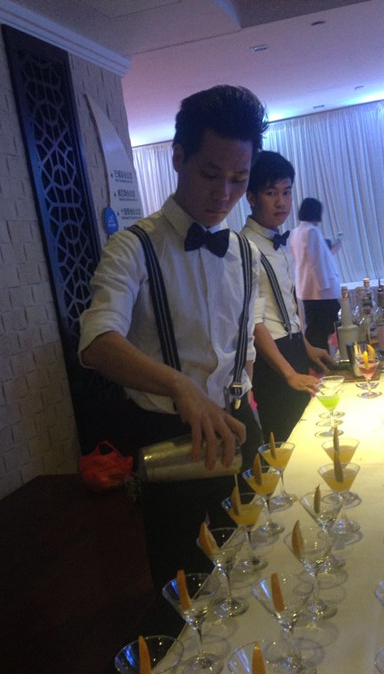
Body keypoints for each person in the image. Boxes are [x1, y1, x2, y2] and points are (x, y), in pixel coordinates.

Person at [79, 85, 268, 599]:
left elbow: (244, 345)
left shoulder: (247, 254)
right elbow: (97, 341)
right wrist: (182, 388)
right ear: (178, 157)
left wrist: (241, 399)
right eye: (210, 174)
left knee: (253, 565)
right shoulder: (132, 247)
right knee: (183, 589)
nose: (224, 193)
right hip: (168, 438)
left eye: (239, 179)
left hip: (238, 427)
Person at [240, 151, 333, 440]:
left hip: (292, 347)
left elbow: (287, 309)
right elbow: (254, 321)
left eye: (286, 192)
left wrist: (306, 346)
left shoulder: (279, 242)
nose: (281, 202)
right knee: (285, 439)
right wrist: (288, 372)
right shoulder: (244, 247)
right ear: (251, 197)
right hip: (270, 358)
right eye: (271, 193)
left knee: (306, 430)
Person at [289, 197, 342, 348]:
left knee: (316, 329)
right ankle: (324, 358)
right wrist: (325, 288)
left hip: (306, 289)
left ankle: (319, 357)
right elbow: (317, 263)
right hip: (320, 292)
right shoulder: (312, 231)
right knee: (327, 329)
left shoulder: (295, 233)